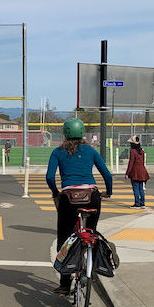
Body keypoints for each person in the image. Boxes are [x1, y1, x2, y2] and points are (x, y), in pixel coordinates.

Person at [46, 117, 112, 295]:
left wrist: (55, 193)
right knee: (91, 234)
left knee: (64, 238)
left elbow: (50, 178)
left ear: (65, 133)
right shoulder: (90, 151)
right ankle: (95, 267)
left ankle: (65, 284)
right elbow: (107, 174)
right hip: (92, 196)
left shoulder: (58, 152)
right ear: (83, 133)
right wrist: (109, 192)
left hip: (68, 198)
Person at [124, 135, 149, 208]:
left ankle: (137, 203)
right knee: (141, 188)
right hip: (142, 171)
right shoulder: (142, 151)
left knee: (135, 188)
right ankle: (142, 203)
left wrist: (127, 173)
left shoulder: (132, 151)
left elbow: (131, 163)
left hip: (135, 172)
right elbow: (143, 162)